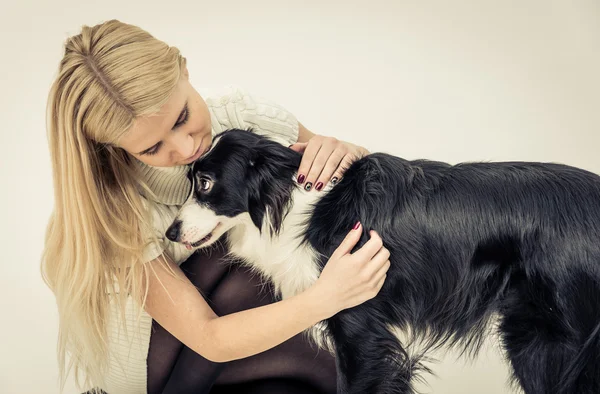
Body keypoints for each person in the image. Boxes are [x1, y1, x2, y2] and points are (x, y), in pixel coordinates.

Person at [42, 19, 391, 394]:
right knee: (243, 250)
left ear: (185, 70)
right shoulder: (118, 200)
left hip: (237, 325)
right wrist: (325, 298)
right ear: (116, 146)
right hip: (156, 359)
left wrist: (345, 152)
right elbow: (208, 337)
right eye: (152, 148)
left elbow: (342, 186)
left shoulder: (239, 112)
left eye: (182, 118)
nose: (184, 147)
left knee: (331, 371)